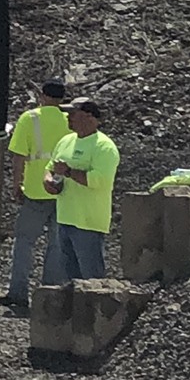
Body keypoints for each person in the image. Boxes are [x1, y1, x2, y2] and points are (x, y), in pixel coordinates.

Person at [0, 79, 71, 307]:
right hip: (63, 189)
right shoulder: (71, 120)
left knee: (24, 242)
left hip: (36, 189)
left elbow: (19, 156)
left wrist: (16, 184)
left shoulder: (30, 118)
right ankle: (49, 294)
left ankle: (18, 293)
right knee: (57, 245)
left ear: (42, 95)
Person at [43, 97, 119, 281]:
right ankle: (73, 309)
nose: (68, 118)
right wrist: (48, 181)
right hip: (65, 218)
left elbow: (99, 181)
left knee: (91, 277)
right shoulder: (66, 141)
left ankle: (94, 310)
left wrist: (68, 172)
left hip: (88, 222)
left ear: (88, 116)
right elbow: (50, 167)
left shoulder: (104, 147)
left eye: (72, 114)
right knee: (69, 278)